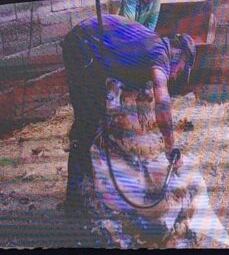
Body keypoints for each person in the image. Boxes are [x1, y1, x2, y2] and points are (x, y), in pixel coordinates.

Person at [60, 14, 197, 220]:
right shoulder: (161, 54)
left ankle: (90, 187)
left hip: (86, 42)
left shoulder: (151, 46)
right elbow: (162, 102)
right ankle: (75, 201)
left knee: (96, 119)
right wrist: (170, 146)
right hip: (82, 44)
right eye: (180, 69)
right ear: (179, 55)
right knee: (87, 124)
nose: (176, 74)